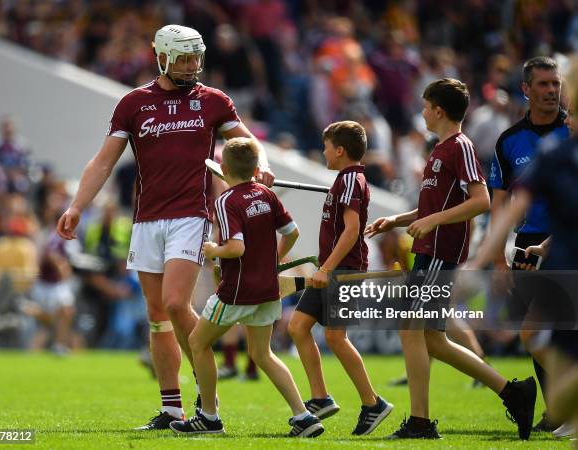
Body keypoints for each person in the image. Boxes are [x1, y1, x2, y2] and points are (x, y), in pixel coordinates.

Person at [56, 24, 275, 429]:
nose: (192, 66)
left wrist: (261, 166)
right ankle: (172, 408)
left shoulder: (213, 101)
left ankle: (207, 404)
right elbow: (103, 162)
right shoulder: (133, 103)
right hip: (146, 221)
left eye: (196, 57)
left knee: (177, 304)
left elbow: (249, 141)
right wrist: (76, 206)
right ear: (162, 58)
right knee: (158, 316)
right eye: (183, 58)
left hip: (191, 217)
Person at [365, 78, 536, 440]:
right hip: (430, 252)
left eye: (426, 107)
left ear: (438, 110)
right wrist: (397, 220)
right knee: (433, 340)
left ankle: (421, 423)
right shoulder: (441, 149)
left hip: (440, 254)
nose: (422, 112)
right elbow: (434, 207)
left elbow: (481, 201)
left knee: (410, 331)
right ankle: (513, 392)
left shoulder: (459, 146)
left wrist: (430, 221)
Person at [169, 137, 323, 437]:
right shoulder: (266, 194)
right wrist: (272, 261)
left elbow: (236, 248)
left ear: (223, 168)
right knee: (262, 353)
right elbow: (292, 233)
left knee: (198, 343)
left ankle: (209, 417)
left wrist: (212, 249)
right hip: (267, 289)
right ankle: (303, 416)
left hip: (236, 290)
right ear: (256, 168)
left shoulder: (226, 201)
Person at [472, 59, 578, 438]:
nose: (552, 90)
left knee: (538, 333)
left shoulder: (572, 132)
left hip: (566, 240)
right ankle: (558, 411)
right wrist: (497, 257)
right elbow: (500, 203)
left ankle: (566, 410)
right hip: (531, 245)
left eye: (557, 83)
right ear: (526, 90)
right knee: (541, 333)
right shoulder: (509, 141)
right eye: (544, 84)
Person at [287, 120, 393, 436]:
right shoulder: (345, 180)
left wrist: (326, 269)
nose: (323, 152)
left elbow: (350, 232)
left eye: (327, 147)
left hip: (343, 271)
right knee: (297, 327)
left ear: (340, 150)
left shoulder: (350, 181)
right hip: (334, 269)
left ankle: (372, 403)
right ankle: (321, 398)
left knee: (335, 337)